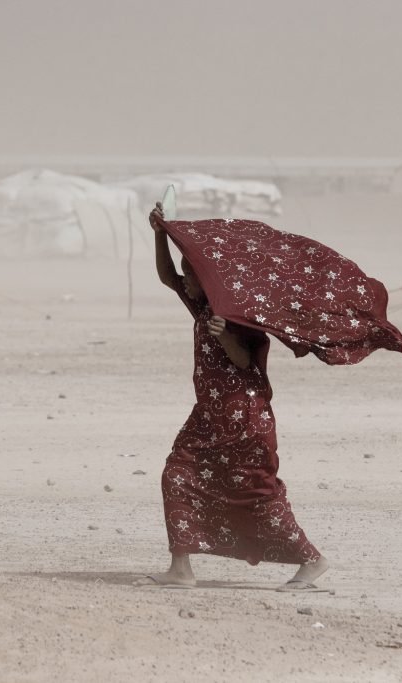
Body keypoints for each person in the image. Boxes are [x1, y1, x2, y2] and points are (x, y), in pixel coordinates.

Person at [134, 203, 328, 591]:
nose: (186, 282)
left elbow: (244, 363)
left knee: (257, 493)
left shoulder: (240, 318)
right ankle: (181, 568)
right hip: (208, 416)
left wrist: (223, 334)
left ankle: (313, 561)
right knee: (178, 474)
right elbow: (167, 276)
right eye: (189, 275)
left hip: (245, 422)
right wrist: (160, 234)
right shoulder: (203, 308)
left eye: (193, 275)